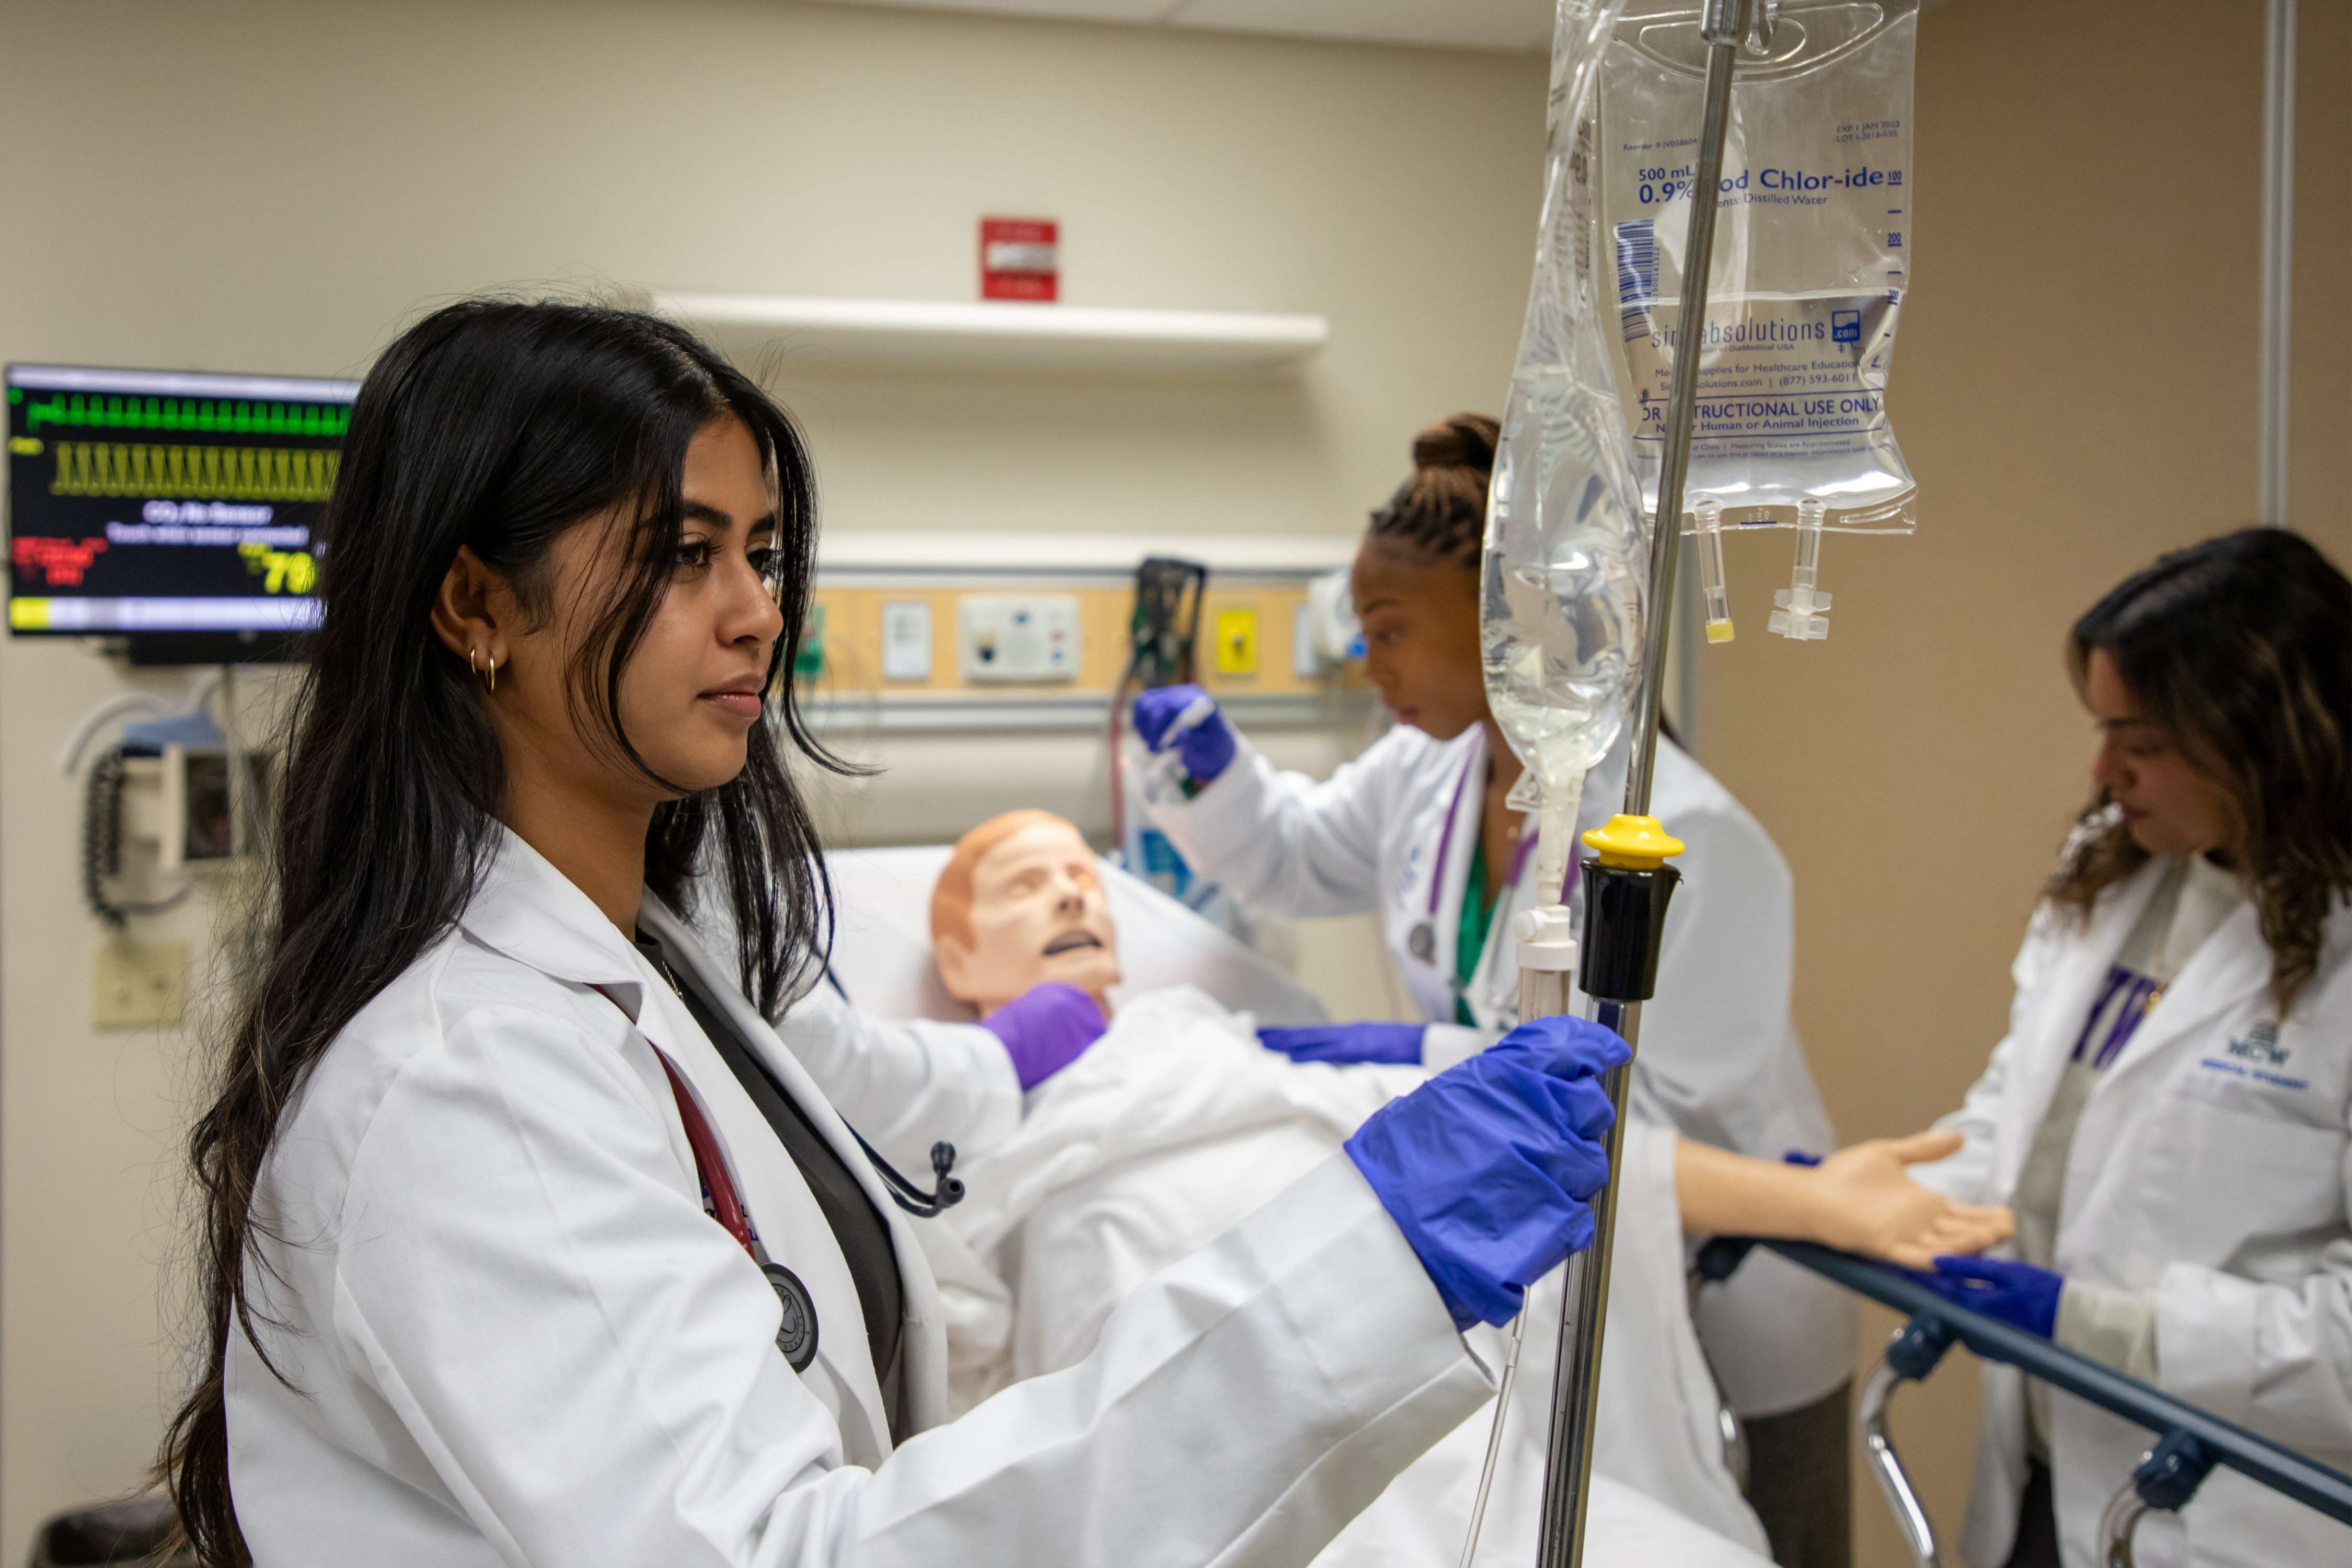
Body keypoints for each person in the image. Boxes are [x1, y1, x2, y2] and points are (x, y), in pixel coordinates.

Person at [160, 301, 1631, 1568]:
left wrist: (1138, 1050)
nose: (756, 614)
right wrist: (1368, 1266)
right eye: (682, 555)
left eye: (762, 552)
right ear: (477, 602)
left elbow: (887, 1108)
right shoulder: (463, 1079)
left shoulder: (660, 960)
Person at [1129, 413, 1857, 1564]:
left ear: (1500, 622)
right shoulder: (1429, 768)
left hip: (1722, 1280)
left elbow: (1652, 1122)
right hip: (1542, 1264)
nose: (1369, 665)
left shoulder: (1688, 837)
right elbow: (1301, 855)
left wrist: (1428, 1060)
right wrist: (1213, 778)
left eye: (1388, 633)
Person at [916, 809, 2010, 1560]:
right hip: (1186, 1458)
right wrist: (1004, 1073)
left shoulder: (1240, 1051)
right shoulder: (928, 1137)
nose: (1070, 894)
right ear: (957, 962)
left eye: (1085, 879)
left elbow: (1540, 1143)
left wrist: (1817, 1202)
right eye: (1025, 885)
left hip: (1431, 1441)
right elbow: (947, 1344)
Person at [1906, 529, 2352, 1568]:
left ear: (2263, 738)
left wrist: (2116, 1334)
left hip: (2238, 1510)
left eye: (2140, 740)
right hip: (2050, 1470)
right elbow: (2026, 1110)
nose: (2104, 773)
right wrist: (1892, 1197)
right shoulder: (2115, 876)